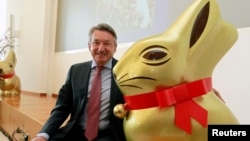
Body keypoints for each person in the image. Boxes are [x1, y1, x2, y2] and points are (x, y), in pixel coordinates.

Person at [31, 23, 126, 141]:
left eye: (106, 43)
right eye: (96, 43)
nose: (101, 49)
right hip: (75, 132)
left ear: (115, 48)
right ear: (89, 46)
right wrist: (43, 135)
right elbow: (62, 108)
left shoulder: (125, 72)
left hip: (108, 135)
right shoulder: (75, 71)